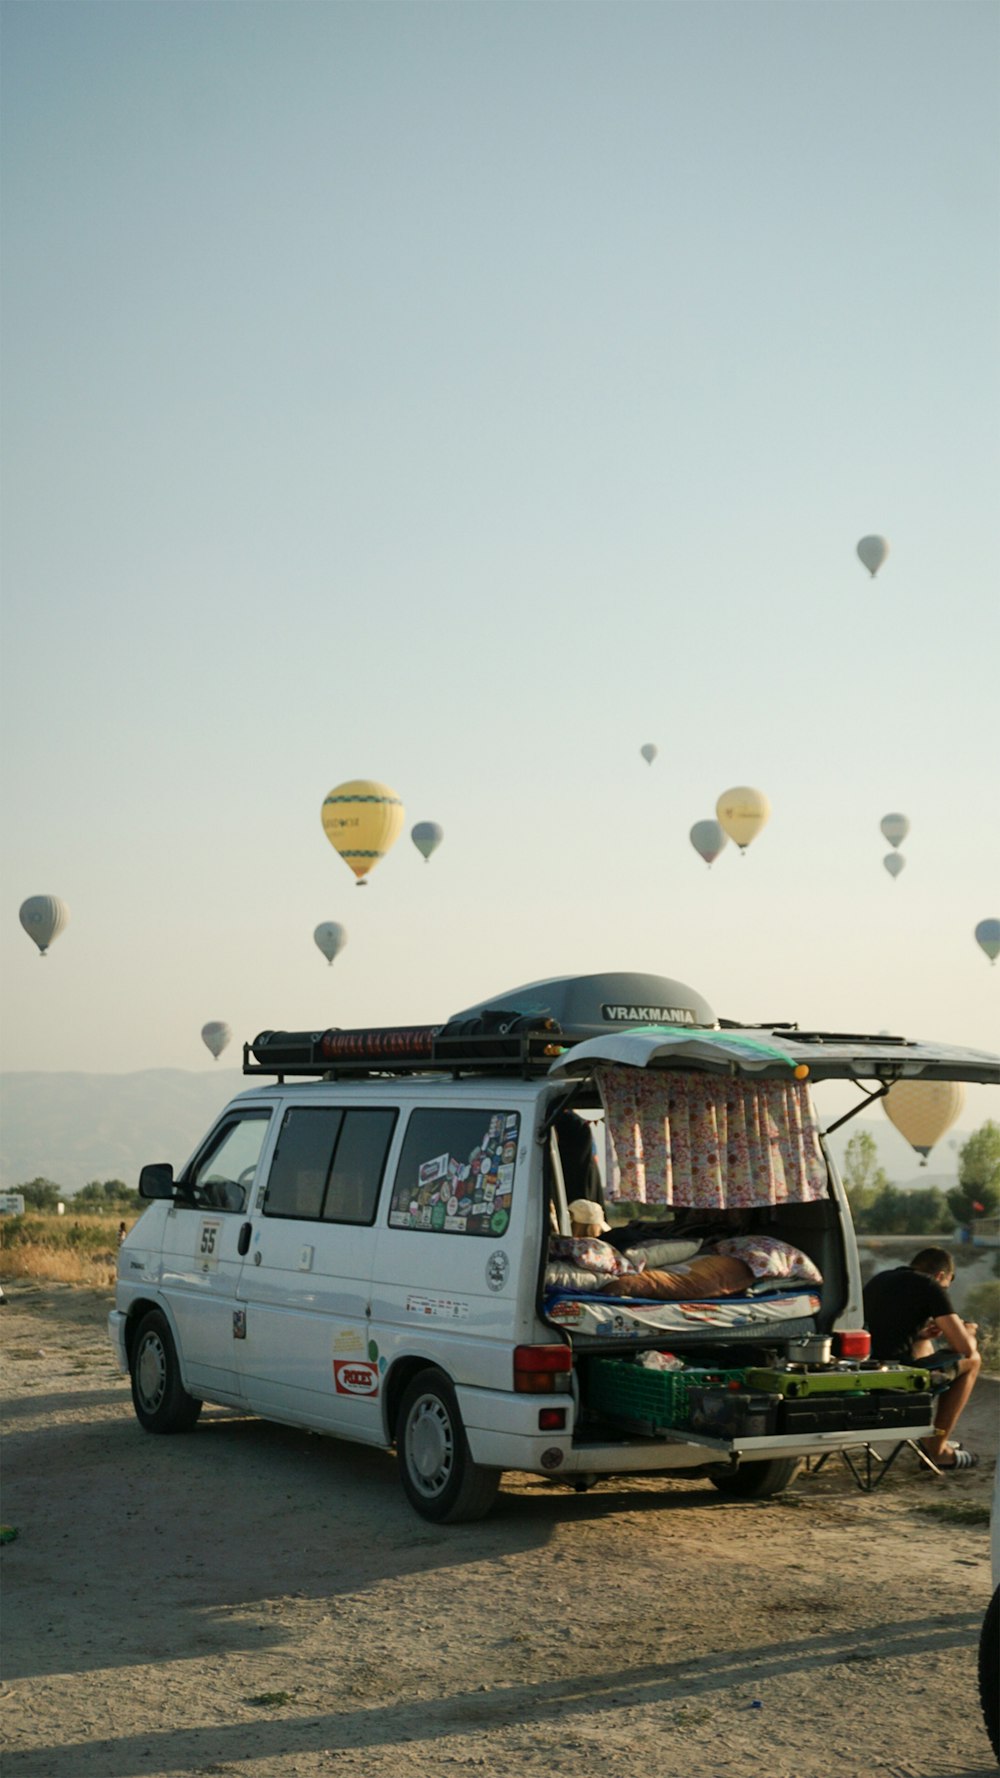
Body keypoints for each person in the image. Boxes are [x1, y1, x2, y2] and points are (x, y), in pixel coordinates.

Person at [863, 1248, 981, 1471]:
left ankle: (929, 1434)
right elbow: (964, 1349)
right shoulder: (929, 1285)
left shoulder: (882, 1278)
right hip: (895, 1379)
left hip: (867, 1373)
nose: (944, 1290)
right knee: (973, 1361)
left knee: (923, 1344)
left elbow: (884, 1333)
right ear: (940, 1276)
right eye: (946, 1285)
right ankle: (938, 1450)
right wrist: (969, 1332)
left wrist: (920, 1333)